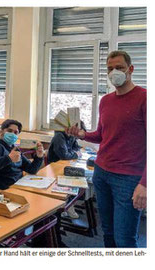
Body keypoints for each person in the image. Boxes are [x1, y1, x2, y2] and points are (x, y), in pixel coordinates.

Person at [67, 50, 146, 248]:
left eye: (119, 67)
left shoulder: (145, 98)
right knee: (108, 233)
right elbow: (102, 135)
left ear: (131, 69)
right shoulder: (106, 101)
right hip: (101, 174)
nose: (114, 72)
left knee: (125, 239)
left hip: (128, 179)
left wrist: (145, 183)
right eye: (110, 69)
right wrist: (83, 135)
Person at [0, 119, 44, 190]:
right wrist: (8, 159)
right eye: (9, 131)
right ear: (1, 132)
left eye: (15, 132)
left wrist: (39, 156)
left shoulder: (13, 148)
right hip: (4, 189)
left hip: (19, 185)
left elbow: (32, 169)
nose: (12, 134)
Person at [48, 121, 87, 219]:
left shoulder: (71, 136)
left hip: (66, 166)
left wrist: (74, 153)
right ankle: (66, 205)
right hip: (54, 169)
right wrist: (75, 154)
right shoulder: (59, 137)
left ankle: (67, 204)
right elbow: (64, 155)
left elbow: (77, 148)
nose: (77, 136)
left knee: (81, 178)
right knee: (75, 180)